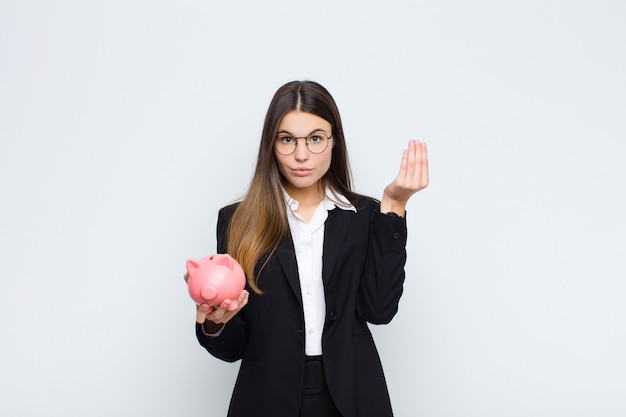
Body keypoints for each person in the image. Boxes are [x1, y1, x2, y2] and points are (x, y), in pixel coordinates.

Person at [187, 80, 429, 417]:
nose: (302, 155)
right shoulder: (238, 221)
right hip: (266, 398)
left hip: (352, 396)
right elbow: (234, 347)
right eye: (287, 139)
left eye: (315, 139)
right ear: (271, 145)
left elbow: (380, 310)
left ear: (333, 142)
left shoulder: (365, 217)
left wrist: (395, 205)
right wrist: (215, 323)